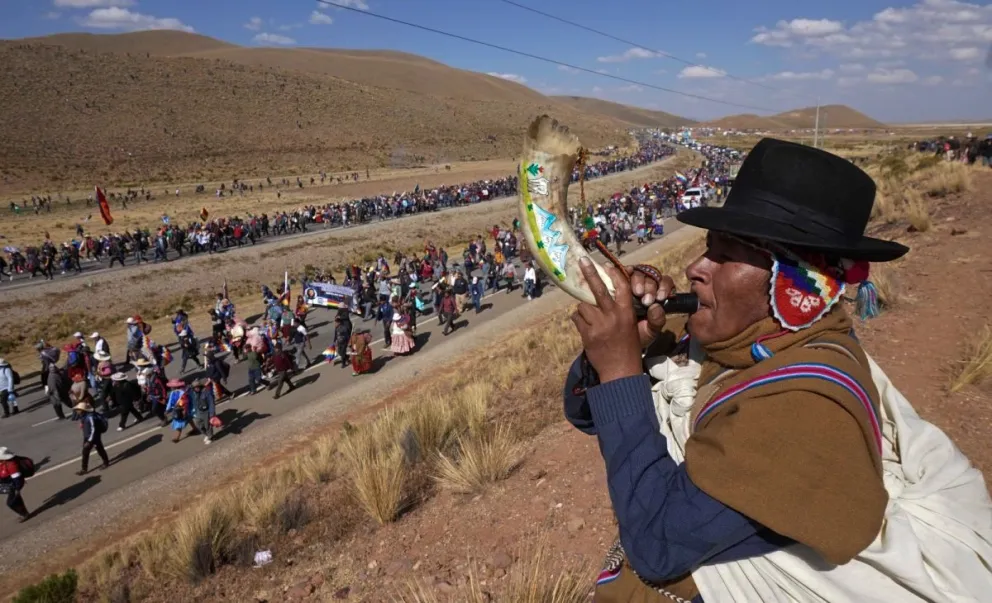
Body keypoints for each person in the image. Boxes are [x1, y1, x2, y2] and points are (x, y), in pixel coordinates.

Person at [565, 138, 992, 602]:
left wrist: (622, 369)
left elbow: (656, 546)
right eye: (709, 247)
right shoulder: (746, 346)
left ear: (794, 284)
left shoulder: (803, 407)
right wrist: (629, 351)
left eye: (726, 254)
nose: (694, 267)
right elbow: (586, 413)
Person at [72, 395, 109, 476]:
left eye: (78, 410)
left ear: (83, 410)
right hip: (87, 437)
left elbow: (93, 430)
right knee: (85, 452)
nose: (77, 411)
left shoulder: (90, 417)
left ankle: (105, 463)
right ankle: (84, 468)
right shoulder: (84, 416)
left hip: (93, 438)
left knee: (100, 450)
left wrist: (89, 441)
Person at [0, 448, 30, 522]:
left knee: (10, 502)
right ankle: (24, 512)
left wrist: (17, 489)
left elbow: (17, 479)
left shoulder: (11, 465)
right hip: (7, 483)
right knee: (16, 499)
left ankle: (24, 514)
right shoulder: (4, 463)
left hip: (13, 486)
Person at [190, 379, 217, 445]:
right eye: (195, 387)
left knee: (208, 426)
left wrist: (212, 413)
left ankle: (211, 437)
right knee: (198, 425)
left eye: (198, 386)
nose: (197, 388)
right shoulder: (193, 393)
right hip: (198, 411)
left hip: (206, 411)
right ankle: (207, 435)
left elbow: (211, 403)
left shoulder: (206, 392)